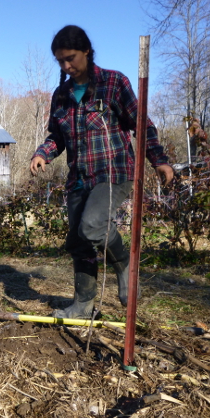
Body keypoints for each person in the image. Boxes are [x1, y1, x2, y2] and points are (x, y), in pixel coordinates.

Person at [30, 25, 174, 319]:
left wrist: (158, 159)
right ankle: (82, 307)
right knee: (79, 242)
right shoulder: (61, 94)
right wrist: (42, 153)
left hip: (114, 171)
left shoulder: (113, 82)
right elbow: (57, 137)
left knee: (93, 225)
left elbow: (140, 124)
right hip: (79, 178)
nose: (66, 66)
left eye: (70, 58)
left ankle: (124, 265)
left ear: (86, 52)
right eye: (60, 61)